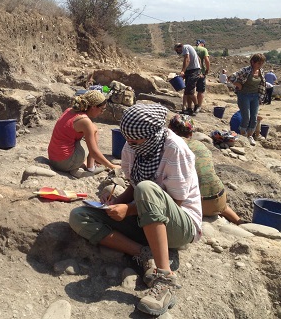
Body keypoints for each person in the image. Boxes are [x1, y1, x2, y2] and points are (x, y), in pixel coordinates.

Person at [69, 103, 202, 316]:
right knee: (79, 216)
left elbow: (175, 201)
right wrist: (115, 203)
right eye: (128, 140)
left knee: (147, 188)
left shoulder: (174, 149)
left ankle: (165, 280)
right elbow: (133, 185)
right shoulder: (133, 147)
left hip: (180, 226)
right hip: (148, 218)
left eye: (135, 141)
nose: (130, 145)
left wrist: (129, 211)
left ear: (151, 134)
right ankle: (144, 253)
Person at [168, 114, 243, 224]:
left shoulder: (172, 147)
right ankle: (239, 221)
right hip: (220, 196)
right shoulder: (200, 145)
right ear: (191, 132)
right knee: (219, 203)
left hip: (199, 202)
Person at [48, 90, 118, 178]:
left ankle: (82, 165)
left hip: (53, 158)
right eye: (102, 109)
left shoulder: (70, 110)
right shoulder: (84, 121)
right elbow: (94, 152)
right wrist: (111, 166)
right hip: (64, 163)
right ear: (93, 107)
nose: (102, 112)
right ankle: (90, 167)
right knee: (94, 130)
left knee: (92, 128)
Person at [228, 53, 267, 146]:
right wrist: (238, 84)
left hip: (255, 97)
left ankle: (250, 136)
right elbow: (231, 77)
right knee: (246, 117)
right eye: (258, 63)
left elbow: (262, 85)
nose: (260, 65)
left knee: (254, 118)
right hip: (244, 95)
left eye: (261, 63)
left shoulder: (261, 72)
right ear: (253, 62)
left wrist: (260, 97)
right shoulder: (246, 70)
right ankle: (242, 135)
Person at [174, 43, 201, 115]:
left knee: (190, 90)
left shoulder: (185, 48)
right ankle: (189, 108)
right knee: (187, 91)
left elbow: (187, 59)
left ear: (180, 47)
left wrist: (183, 71)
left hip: (194, 70)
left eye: (177, 50)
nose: (178, 52)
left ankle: (197, 106)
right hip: (191, 70)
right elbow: (198, 59)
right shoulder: (188, 48)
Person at [194, 39, 210, 113]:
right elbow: (207, 60)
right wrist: (207, 69)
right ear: (202, 44)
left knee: (191, 90)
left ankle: (191, 106)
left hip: (191, 71)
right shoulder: (204, 50)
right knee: (200, 91)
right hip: (201, 72)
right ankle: (198, 106)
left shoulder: (192, 48)